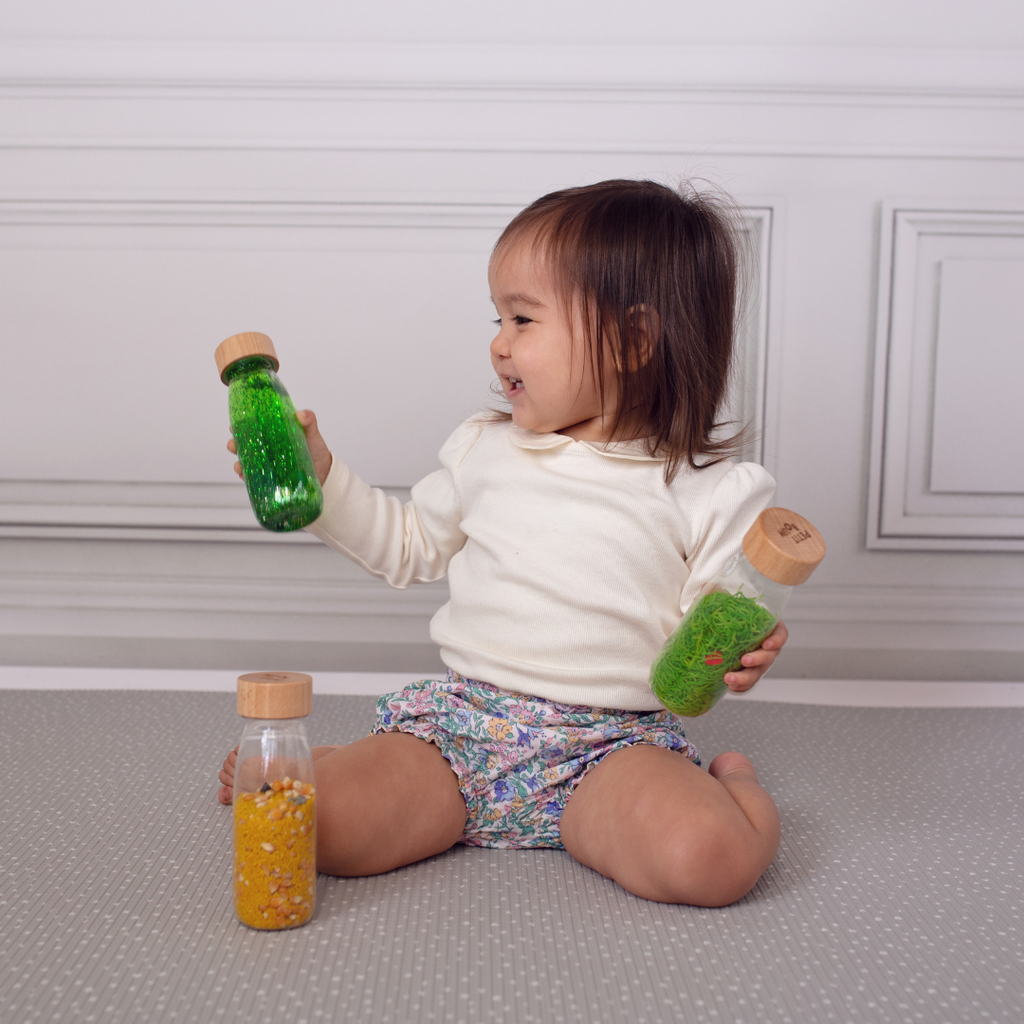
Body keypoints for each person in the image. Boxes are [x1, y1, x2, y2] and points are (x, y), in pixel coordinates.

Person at [218, 179, 787, 907]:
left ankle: (736, 790)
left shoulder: (712, 492)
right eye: (498, 318)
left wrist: (748, 643)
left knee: (710, 861)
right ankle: (345, 761)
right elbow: (406, 544)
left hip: (608, 752)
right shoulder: (485, 450)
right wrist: (321, 478)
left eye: (523, 319)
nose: (498, 343)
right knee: (308, 827)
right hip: (459, 736)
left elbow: (719, 620)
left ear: (635, 340)